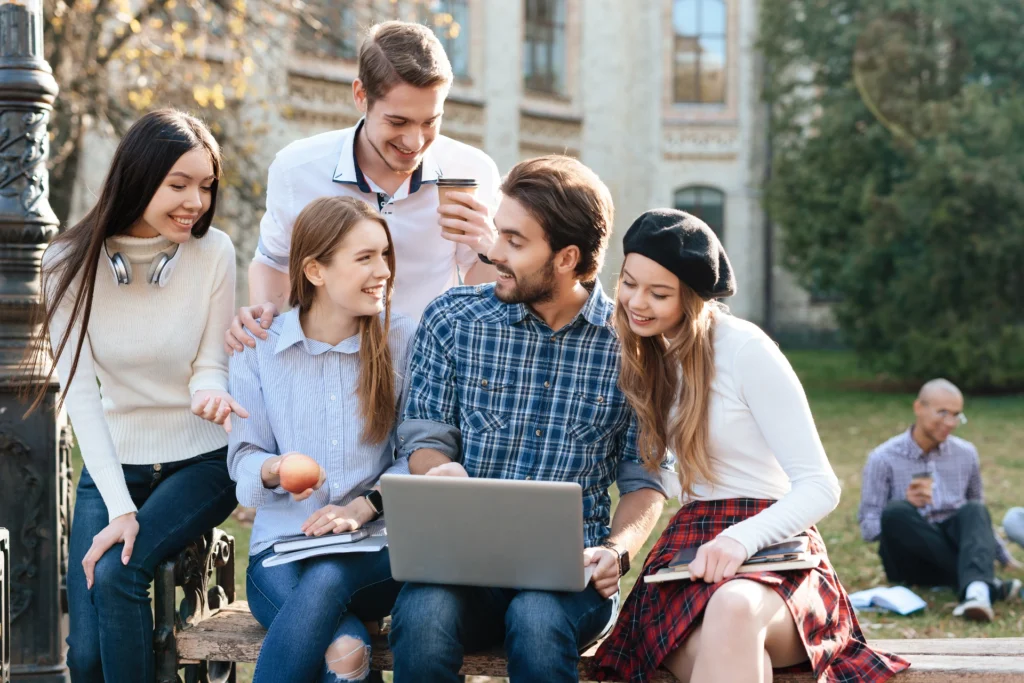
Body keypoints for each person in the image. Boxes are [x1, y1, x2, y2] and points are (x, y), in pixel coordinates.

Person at [387, 156, 679, 683]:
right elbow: (425, 437)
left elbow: (645, 479)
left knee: (537, 619)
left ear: (566, 258)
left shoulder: (636, 351)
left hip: (571, 577)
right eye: (499, 232)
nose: (494, 252)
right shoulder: (453, 319)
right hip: (461, 565)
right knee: (424, 616)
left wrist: (616, 552)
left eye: (515, 241)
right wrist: (439, 472)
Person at [592, 210, 909, 683]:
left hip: (772, 547)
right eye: (629, 284)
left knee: (733, 608)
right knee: (733, 652)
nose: (637, 302)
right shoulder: (647, 354)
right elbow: (664, 479)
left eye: (658, 294)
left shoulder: (744, 349)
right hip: (691, 549)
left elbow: (821, 486)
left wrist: (741, 539)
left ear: (691, 298)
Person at [24, 109, 244, 682]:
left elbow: (210, 364)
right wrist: (121, 507)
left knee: (119, 572)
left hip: (201, 461)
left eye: (205, 186)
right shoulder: (65, 263)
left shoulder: (214, 252)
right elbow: (80, 395)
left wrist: (210, 392)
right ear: (138, 178)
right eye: (179, 185)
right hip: (115, 461)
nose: (196, 202)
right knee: (87, 656)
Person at [225, 19, 500, 354]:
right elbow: (274, 261)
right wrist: (264, 315)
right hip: (324, 367)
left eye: (430, 122)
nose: (414, 141)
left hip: (426, 369)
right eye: (397, 122)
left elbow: (478, 289)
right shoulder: (296, 169)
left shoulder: (472, 171)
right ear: (361, 95)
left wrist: (489, 250)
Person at [228, 196, 416, 682]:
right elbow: (243, 457)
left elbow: (418, 456)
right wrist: (275, 468)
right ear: (315, 271)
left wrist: (365, 507)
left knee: (330, 576)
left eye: (385, 255)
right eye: (365, 257)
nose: (383, 271)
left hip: (376, 552)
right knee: (346, 651)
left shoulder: (402, 340)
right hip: (281, 551)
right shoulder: (259, 347)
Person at [858, 379, 1022, 622]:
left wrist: (1004, 557)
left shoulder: (966, 453)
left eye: (956, 415)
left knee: (974, 509)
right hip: (909, 560)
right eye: (942, 412)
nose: (950, 422)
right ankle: (989, 584)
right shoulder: (883, 458)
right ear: (919, 408)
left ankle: (977, 592)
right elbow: (868, 527)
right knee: (896, 512)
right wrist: (906, 505)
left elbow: (979, 519)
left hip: (955, 546)